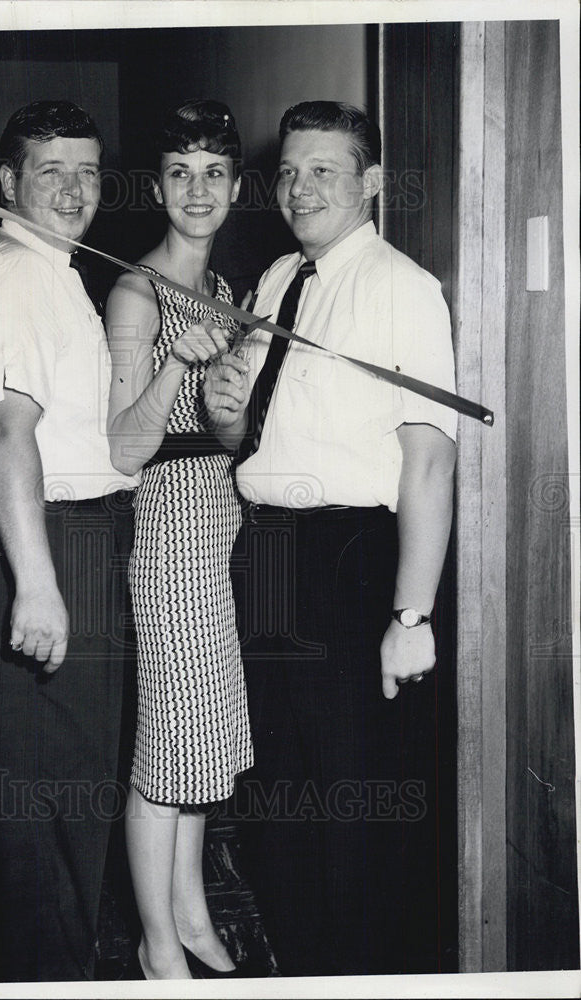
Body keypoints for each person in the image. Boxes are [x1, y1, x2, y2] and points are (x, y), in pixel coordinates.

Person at [203, 101, 457, 976]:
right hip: (266, 554)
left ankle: (355, 970)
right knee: (273, 792)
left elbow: (426, 463)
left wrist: (412, 616)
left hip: (348, 562)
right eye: (289, 171)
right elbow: (259, 444)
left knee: (347, 799)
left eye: (323, 171)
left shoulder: (402, 289)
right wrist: (226, 420)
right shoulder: (277, 279)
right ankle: (300, 966)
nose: (299, 187)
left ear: (371, 184)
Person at [0, 100, 138, 982]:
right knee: (41, 828)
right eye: (51, 171)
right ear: (7, 184)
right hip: (43, 547)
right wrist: (37, 584)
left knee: (70, 812)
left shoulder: (53, 269)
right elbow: (5, 438)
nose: (73, 190)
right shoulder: (16, 276)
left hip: (72, 544)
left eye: (87, 171)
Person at [106, 99, 253, 980]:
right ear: (157, 187)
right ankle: (156, 944)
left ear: (235, 186)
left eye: (213, 173)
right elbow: (125, 448)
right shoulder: (133, 289)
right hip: (166, 537)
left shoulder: (228, 293)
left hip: (220, 530)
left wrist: (230, 401)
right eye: (178, 173)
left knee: (203, 738)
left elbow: (226, 441)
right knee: (168, 744)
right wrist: (176, 360)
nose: (196, 191)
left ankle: (192, 914)